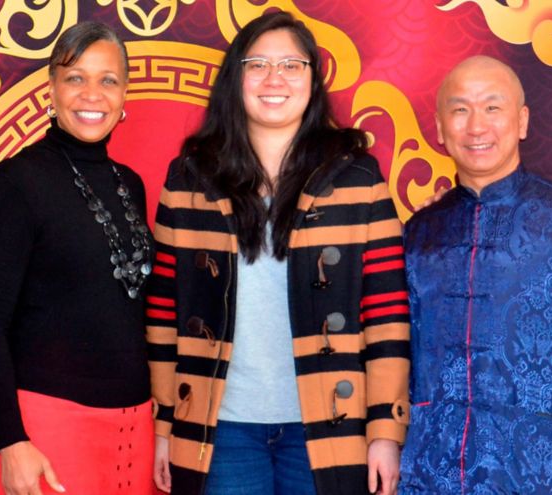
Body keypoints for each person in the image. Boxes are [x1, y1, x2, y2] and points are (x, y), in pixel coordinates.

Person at [146, 11, 411, 495]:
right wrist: (166, 424)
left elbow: (387, 314)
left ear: (313, 78)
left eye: (292, 65)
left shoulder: (358, 180)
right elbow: (164, 310)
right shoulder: (189, 179)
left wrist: (385, 432)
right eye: (258, 64)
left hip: (331, 425)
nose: (275, 79)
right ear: (235, 78)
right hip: (220, 428)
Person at [0, 21, 155, 495]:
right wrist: (11, 440)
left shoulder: (129, 183)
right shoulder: (14, 182)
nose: (92, 94)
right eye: (76, 78)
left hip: (134, 429)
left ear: (125, 93)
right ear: (51, 89)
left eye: (107, 80)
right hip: (43, 432)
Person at [399, 55, 552, 495]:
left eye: (492, 107)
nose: (476, 127)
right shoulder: (419, 233)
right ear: (439, 127)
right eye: (460, 109)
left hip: (543, 470)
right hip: (432, 470)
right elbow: (398, 351)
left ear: (521, 121)